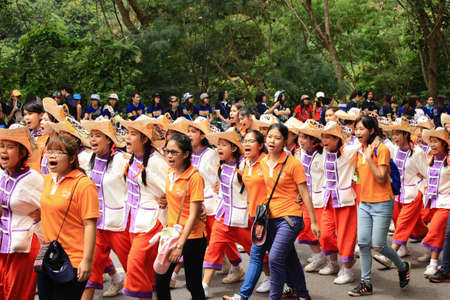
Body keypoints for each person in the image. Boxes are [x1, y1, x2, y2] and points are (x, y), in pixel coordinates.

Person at [349, 114, 410, 296]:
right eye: (356, 129)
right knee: (363, 243)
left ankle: (402, 266)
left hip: (382, 202)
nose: (357, 132)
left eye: (362, 129)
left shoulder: (381, 149)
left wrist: (368, 158)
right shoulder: (357, 150)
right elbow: (358, 176)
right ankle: (366, 283)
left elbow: (382, 177)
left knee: (378, 244)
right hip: (365, 203)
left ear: (372, 130)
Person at [38, 134, 99, 300]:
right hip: (48, 255)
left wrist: (86, 261)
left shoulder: (84, 185)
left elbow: (90, 225)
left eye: (58, 152)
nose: (51, 155)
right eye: (49, 151)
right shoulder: (49, 179)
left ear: (72, 158)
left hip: (72, 259)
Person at [262, 123, 318, 299]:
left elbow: (304, 194)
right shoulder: (261, 162)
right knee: (290, 259)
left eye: (277, 138)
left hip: (290, 218)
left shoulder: (293, 163)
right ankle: (303, 294)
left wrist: (314, 221)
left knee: (275, 258)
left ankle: (274, 297)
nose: (272, 141)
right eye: (270, 136)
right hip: (269, 218)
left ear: (285, 141)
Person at [80, 120, 131, 299]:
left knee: (133, 268)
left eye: (98, 136)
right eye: (91, 136)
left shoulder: (122, 160)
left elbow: (141, 182)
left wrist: (159, 197)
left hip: (119, 223)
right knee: (91, 266)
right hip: (97, 223)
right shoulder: (87, 159)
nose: (93, 139)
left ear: (109, 140)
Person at [119, 116, 168, 299]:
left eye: (132, 134)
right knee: (147, 269)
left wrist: (166, 200)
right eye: (126, 133)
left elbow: (172, 188)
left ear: (145, 139)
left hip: (151, 220)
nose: (127, 138)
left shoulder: (155, 161)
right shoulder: (132, 158)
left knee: (135, 262)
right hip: (133, 219)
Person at [155, 133, 207, 300]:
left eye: (174, 152)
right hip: (171, 234)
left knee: (193, 284)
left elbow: (193, 215)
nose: (169, 156)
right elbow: (174, 198)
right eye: (167, 151)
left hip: (192, 238)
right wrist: (165, 200)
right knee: (161, 279)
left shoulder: (194, 177)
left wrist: (180, 245)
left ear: (185, 154)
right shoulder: (170, 172)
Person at [201, 129, 251, 297]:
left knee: (254, 250)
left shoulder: (244, 166)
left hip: (242, 217)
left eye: (224, 145)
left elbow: (253, 188)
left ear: (234, 148)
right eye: (218, 145)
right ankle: (204, 285)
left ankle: (270, 277)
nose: (219, 148)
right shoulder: (220, 165)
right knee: (213, 248)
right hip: (223, 215)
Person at [372, 119, 428, 267]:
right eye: (393, 133)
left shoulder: (418, 153)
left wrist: (423, 191)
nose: (394, 137)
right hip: (397, 192)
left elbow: (426, 174)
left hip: (413, 193)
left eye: (398, 133)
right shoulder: (393, 149)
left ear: (406, 134)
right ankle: (429, 244)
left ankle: (390, 255)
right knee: (411, 224)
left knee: (403, 223)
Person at [222, 130, 271, 300]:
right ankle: (298, 289)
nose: (247, 144)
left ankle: (242, 296)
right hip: (255, 217)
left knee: (258, 256)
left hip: (272, 217)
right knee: (284, 257)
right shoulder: (245, 165)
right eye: (245, 141)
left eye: (251, 141)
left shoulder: (267, 163)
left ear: (260, 145)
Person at [0, 126, 43, 300]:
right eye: (1, 146)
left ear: (22, 152)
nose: (3, 151)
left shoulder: (33, 179)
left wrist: (43, 214)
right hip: (3, 246)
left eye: (10, 147)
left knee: (18, 296)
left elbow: (54, 205)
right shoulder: (2, 175)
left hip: (24, 248)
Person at [318, 121, 358, 284]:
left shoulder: (349, 151)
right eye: (323, 137)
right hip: (328, 199)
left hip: (345, 201)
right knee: (325, 234)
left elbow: (365, 146)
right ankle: (334, 263)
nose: (325, 141)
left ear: (337, 139)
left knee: (345, 236)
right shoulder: (322, 152)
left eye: (328, 137)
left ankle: (348, 270)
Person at [294, 121, 327, 272]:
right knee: (306, 228)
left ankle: (332, 260)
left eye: (305, 137)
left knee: (324, 233)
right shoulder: (300, 153)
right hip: (306, 199)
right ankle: (319, 255)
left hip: (320, 199)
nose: (301, 140)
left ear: (314, 140)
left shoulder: (322, 156)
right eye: (300, 136)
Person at [420, 128, 450, 277]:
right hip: (431, 201)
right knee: (434, 230)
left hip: (446, 202)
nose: (432, 144)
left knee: (435, 229)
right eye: (431, 141)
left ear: (445, 143)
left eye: (436, 141)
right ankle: (432, 254)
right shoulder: (430, 158)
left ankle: (433, 263)